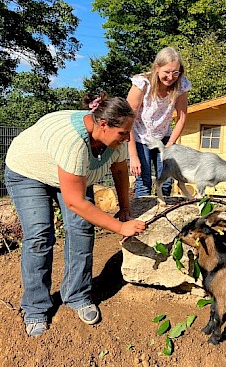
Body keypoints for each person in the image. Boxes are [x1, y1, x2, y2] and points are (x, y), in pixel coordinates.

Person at [5, 92, 146, 337]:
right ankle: (36, 307)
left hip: (71, 172)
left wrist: (125, 207)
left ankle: (77, 294)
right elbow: (74, 201)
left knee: (81, 229)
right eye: (123, 133)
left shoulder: (114, 141)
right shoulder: (73, 142)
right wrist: (120, 227)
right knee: (40, 236)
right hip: (29, 171)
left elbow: (120, 171)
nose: (126, 139)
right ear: (103, 125)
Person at [127, 46, 191, 197]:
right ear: (157, 68)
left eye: (175, 72)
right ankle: (143, 217)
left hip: (164, 137)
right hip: (140, 137)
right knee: (144, 181)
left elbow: (182, 118)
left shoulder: (181, 85)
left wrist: (169, 147)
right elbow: (127, 118)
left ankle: (165, 216)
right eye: (167, 72)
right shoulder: (143, 84)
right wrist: (133, 156)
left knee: (167, 181)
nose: (171, 77)